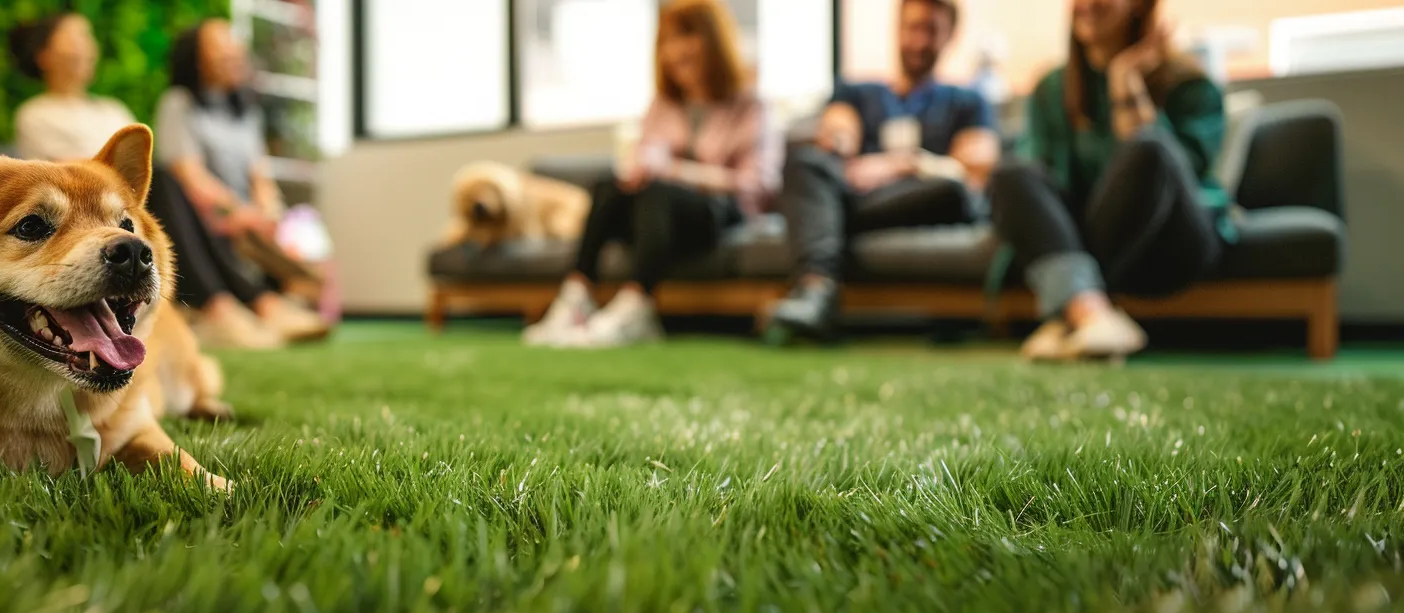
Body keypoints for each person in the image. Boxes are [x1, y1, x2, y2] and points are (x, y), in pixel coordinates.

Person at [524, 0, 780, 348]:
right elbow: (643, 156)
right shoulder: (662, 105)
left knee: (659, 192)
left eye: (687, 37)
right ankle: (576, 298)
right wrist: (638, 170)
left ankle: (637, 304)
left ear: (713, 41)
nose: (676, 50)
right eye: (668, 41)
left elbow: (758, 184)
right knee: (608, 188)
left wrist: (677, 171)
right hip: (658, 215)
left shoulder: (751, 105)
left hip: (719, 211)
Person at [991, 0, 1231, 360]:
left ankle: (1070, 311)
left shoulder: (1191, 85)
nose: (1086, 4)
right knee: (1010, 173)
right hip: (1082, 236)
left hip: (1167, 239)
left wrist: (1125, 81)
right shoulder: (1051, 89)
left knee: (1148, 146)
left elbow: (1172, 173)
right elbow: (1040, 193)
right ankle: (1089, 312)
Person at [768, 0, 999, 338]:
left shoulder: (968, 101)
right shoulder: (857, 92)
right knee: (805, 162)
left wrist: (902, 165)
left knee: (954, 192)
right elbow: (837, 136)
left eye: (931, 31)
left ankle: (822, 221)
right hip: (862, 196)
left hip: (923, 198)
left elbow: (973, 170)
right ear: (898, 28)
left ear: (950, 35)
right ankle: (816, 290)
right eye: (913, 28)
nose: (919, 41)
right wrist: (841, 147)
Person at [150, 20, 327, 348]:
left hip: (247, 226)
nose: (233, 53)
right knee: (170, 186)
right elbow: (189, 177)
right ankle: (233, 307)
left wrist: (268, 213)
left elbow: (260, 177)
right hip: (209, 217)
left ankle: (266, 305)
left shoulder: (246, 110)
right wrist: (239, 212)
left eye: (233, 45)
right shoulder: (178, 104)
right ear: (197, 59)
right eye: (220, 48)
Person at [10, 12, 138, 161]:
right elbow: (70, 173)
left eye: (89, 37)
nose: (88, 48)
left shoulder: (113, 110)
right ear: (44, 56)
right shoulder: (35, 115)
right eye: (75, 38)